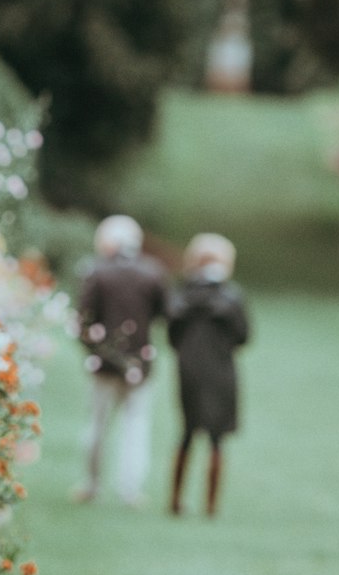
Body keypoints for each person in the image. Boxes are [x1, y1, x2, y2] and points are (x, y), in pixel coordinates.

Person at [75, 215, 168, 507]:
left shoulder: (97, 272)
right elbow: (163, 313)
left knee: (98, 425)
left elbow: (84, 319)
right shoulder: (153, 272)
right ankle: (130, 489)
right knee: (135, 425)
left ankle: (92, 484)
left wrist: (93, 349)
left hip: (103, 363)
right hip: (140, 362)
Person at [168, 233, 250, 517]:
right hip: (221, 372)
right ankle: (211, 505)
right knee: (217, 439)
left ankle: (175, 500)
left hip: (188, 370)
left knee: (187, 433)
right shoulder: (231, 297)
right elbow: (243, 336)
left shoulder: (182, 297)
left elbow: (172, 336)